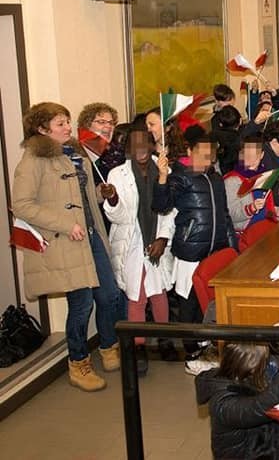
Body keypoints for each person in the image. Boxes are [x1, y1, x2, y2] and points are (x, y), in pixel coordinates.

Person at [12, 102, 126, 391]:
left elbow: (84, 197)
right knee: (82, 303)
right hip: (66, 241)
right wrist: (64, 223)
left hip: (91, 235)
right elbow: (21, 205)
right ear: (41, 128)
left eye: (67, 121)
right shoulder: (32, 160)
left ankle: (109, 347)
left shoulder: (76, 153)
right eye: (60, 123)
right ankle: (78, 362)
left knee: (110, 295)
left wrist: (102, 194)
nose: (67, 127)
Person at [154, 132, 237, 369]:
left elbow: (225, 215)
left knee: (209, 302)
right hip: (191, 249)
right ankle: (191, 349)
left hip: (216, 249)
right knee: (188, 300)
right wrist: (162, 178)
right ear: (190, 151)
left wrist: (232, 249)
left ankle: (207, 344)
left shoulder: (216, 178)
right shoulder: (180, 176)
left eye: (210, 155)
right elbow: (161, 205)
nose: (206, 160)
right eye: (202, 154)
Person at [103, 121, 177, 375]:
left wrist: (163, 239)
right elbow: (120, 217)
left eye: (144, 142)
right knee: (137, 296)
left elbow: (169, 209)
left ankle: (165, 339)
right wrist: (112, 198)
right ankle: (138, 349)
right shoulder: (116, 175)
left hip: (157, 240)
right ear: (128, 149)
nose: (140, 148)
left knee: (159, 293)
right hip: (132, 243)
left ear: (151, 144)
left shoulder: (163, 167)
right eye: (134, 144)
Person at [195, 339, 279, 460]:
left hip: (269, 447)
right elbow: (263, 405)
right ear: (250, 366)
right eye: (264, 361)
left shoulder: (242, 378)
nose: (267, 364)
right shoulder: (223, 404)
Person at [77, 102, 125, 181]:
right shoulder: (79, 155)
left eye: (111, 123)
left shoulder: (120, 153)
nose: (108, 126)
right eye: (101, 122)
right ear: (87, 125)